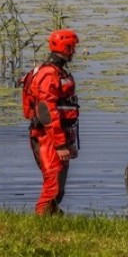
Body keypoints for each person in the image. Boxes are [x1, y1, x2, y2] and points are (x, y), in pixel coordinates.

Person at [28, 29, 80, 216]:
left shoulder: (58, 72)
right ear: (65, 47)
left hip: (59, 134)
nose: (74, 52)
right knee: (53, 180)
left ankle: (52, 214)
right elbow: (46, 111)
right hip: (47, 136)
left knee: (59, 182)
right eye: (72, 48)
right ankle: (42, 218)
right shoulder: (49, 75)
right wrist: (59, 144)